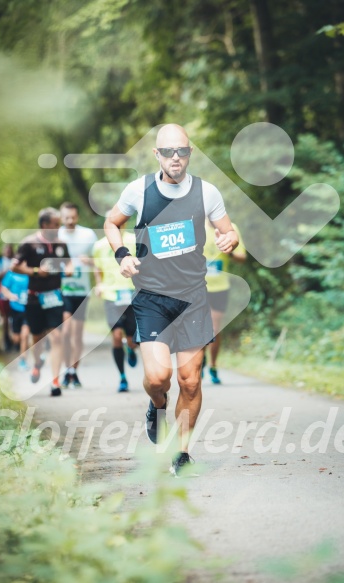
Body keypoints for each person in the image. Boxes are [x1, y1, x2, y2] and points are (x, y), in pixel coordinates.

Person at [105, 123, 239, 476]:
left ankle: (181, 453)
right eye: (168, 151)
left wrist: (231, 239)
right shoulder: (139, 191)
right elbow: (111, 222)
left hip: (193, 297)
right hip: (151, 298)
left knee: (191, 381)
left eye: (181, 151)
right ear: (157, 154)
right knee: (158, 376)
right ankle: (156, 404)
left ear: (190, 152)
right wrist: (121, 254)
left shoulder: (207, 193)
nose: (175, 158)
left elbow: (229, 229)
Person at [12, 207, 73, 397]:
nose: (59, 227)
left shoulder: (61, 244)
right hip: (34, 298)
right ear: (45, 225)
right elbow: (15, 266)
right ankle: (37, 363)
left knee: (56, 337)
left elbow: (68, 262)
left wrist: (69, 269)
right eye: (56, 224)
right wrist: (36, 271)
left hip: (54, 296)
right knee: (37, 337)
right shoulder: (28, 244)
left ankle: (55, 381)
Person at [93, 222, 138, 392]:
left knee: (132, 339)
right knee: (117, 335)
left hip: (132, 293)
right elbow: (97, 267)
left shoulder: (133, 240)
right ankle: (122, 377)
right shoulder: (99, 245)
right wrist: (99, 285)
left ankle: (131, 348)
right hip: (111, 296)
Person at [58, 202, 97, 389]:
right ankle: (67, 369)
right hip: (63, 290)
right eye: (66, 218)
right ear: (61, 217)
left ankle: (74, 371)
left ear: (77, 216)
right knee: (66, 332)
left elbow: (98, 262)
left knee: (77, 335)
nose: (70, 221)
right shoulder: (56, 236)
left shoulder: (88, 235)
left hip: (82, 290)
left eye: (73, 217)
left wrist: (89, 261)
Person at [203, 218, 246, 384]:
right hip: (199, 287)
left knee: (214, 329)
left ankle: (213, 365)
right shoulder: (195, 228)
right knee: (199, 328)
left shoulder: (231, 229)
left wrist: (230, 252)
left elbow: (242, 257)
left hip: (220, 287)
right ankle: (200, 361)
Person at [0, 271, 31, 371]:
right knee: (16, 338)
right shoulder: (11, 274)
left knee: (25, 335)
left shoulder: (30, 271)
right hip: (15, 308)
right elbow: (3, 288)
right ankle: (17, 346)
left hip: (28, 308)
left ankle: (23, 360)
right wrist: (10, 295)